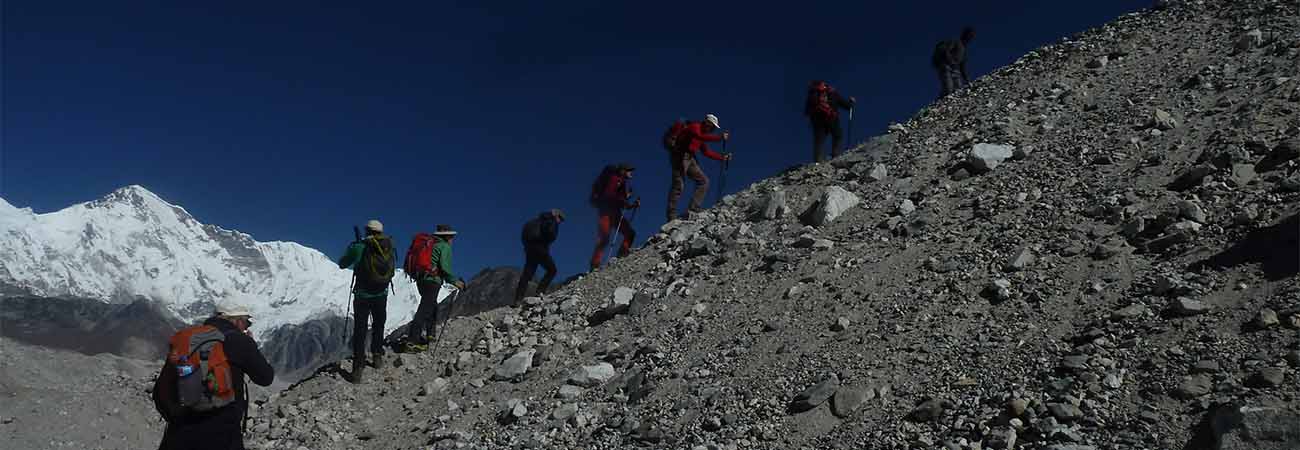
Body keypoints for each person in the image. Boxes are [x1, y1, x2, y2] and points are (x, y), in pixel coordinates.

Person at [154, 298, 275, 450]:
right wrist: (251, 346)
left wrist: (177, 419)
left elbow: (161, 391)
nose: (247, 327)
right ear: (237, 321)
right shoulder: (240, 341)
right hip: (223, 432)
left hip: (179, 433)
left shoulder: (187, 338)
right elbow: (265, 377)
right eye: (247, 322)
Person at [336, 219, 396, 383]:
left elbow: (342, 263)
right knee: (379, 323)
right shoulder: (388, 247)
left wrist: (353, 251)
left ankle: (358, 367)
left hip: (362, 295)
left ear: (367, 231)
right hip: (381, 293)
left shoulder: (359, 247)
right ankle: (377, 356)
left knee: (360, 329)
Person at [403, 224, 464, 353]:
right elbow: (445, 269)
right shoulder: (444, 247)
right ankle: (412, 341)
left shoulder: (430, 244)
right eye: (451, 237)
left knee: (430, 304)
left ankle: (430, 334)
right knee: (425, 308)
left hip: (421, 279)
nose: (453, 239)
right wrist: (455, 282)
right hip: (433, 281)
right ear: (447, 237)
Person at [667, 114, 731, 222]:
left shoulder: (702, 134)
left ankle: (694, 208)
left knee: (704, 181)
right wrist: (720, 138)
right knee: (678, 185)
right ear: (707, 123)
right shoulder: (695, 127)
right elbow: (699, 136)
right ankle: (671, 216)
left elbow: (706, 152)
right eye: (713, 127)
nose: (713, 130)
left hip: (690, 157)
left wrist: (722, 158)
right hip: (679, 156)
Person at [591, 164, 640, 270]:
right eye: (629, 170)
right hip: (607, 212)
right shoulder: (615, 179)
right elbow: (610, 196)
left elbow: (619, 201)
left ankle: (621, 255)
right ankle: (595, 264)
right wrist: (625, 200)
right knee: (605, 237)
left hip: (612, 212)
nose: (631, 172)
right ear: (623, 171)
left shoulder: (621, 182)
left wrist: (630, 203)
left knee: (629, 233)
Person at [515, 209, 564, 304]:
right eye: (561, 218)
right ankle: (540, 292)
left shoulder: (535, 220)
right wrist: (547, 242)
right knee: (552, 270)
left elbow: (524, 234)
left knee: (527, 274)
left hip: (529, 249)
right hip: (541, 249)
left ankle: (517, 299)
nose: (560, 221)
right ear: (556, 216)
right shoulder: (551, 221)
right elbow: (550, 234)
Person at [805, 80, 856, 162]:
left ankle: (818, 160)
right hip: (832, 118)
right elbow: (846, 105)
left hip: (817, 121)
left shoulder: (812, 94)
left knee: (819, 140)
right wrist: (851, 103)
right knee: (837, 135)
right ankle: (836, 155)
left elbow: (807, 111)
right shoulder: (833, 93)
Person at [933, 27, 975, 98]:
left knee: (958, 89)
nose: (969, 38)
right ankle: (940, 104)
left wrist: (966, 79)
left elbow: (962, 66)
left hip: (956, 71)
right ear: (964, 35)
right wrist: (951, 61)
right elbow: (946, 51)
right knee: (949, 88)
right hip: (946, 67)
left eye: (971, 36)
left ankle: (952, 103)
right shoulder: (956, 42)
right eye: (969, 36)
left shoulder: (964, 52)